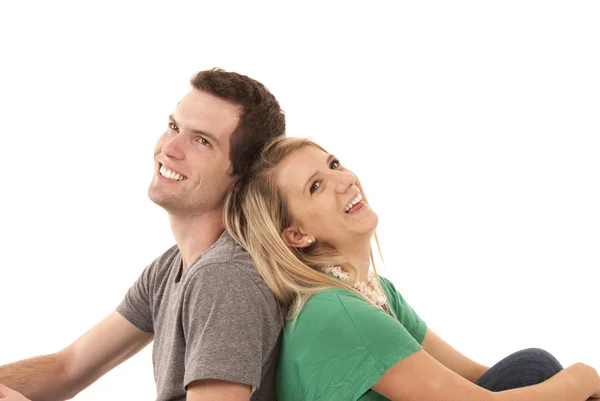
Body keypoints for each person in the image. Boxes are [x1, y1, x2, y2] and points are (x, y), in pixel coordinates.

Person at [224, 136, 600, 401]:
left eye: (334, 164)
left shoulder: (373, 290)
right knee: (537, 369)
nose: (344, 180)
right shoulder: (336, 311)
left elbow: (469, 377)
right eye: (316, 186)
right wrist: (583, 377)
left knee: (531, 371)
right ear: (297, 234)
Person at [0, 69, 286, 401]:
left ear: (243, 174)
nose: (171, 148)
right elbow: (69, 367)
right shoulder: (172, 268)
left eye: (202, 141)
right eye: (175, 127)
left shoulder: (224, 278)